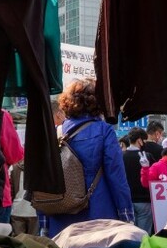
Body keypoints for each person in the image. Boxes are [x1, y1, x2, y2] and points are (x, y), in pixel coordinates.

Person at [44, 79, 133, 237]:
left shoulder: (55, 133)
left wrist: (44, 222)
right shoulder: (104, 131)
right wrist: (126, 215)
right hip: (98, 214)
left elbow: (44, 181)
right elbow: (117, 176)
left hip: (60, 217)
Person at [122, 128, 154, 234]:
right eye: (144, 140)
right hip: (145, 200)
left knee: (131, 234)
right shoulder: (147, 156)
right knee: (144, 234)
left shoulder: (121, 157)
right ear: (139, 140)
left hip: (127, 201)